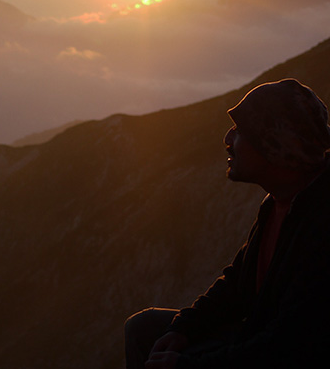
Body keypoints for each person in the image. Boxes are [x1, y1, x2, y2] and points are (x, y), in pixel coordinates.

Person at [124, 78, 330, 369]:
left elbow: (291, 343)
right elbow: (237, 283)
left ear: (275, 146)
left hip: (284, 351)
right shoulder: (278, 201)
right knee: (144, 328)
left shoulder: (321, 223)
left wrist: (188, 364)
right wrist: (183, 328)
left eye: (241, 130)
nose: (228, 138)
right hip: (261, 335)